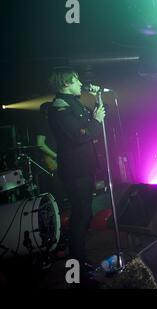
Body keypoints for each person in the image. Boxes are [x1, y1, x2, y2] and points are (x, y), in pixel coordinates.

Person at [47, 67, 105, 274]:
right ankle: (77, 267)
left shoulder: (74, 103)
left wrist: (98, 99)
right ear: (65, 84)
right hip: (75, 171)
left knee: (85, 214)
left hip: (85, 167)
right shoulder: (59, 106)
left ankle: (80, 260)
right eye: (76, 81)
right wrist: (96, 120)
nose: (80, 84)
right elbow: (80, 134)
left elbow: (90, 124)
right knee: (81, 216)